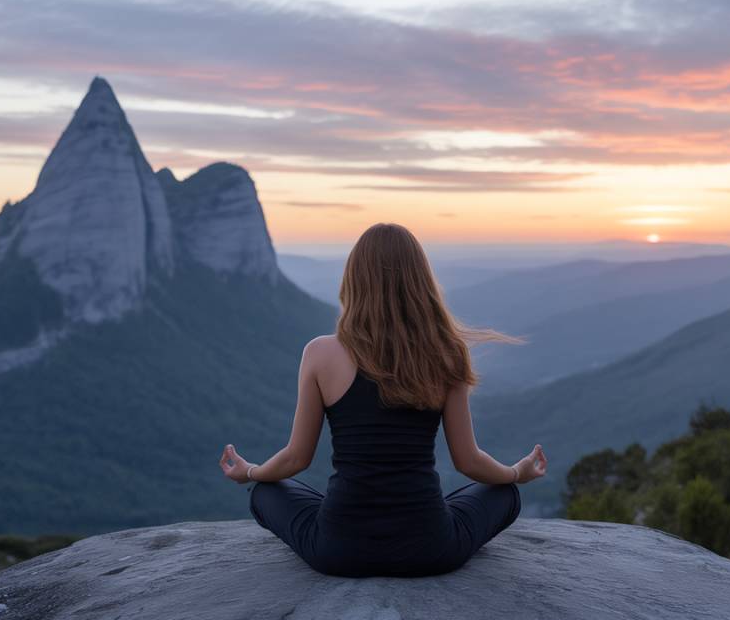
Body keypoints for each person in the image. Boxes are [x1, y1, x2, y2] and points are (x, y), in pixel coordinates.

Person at [219, 222, 548, 577]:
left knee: (264, 493)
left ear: (353, 281)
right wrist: (517, 472)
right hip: (430, 549)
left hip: (339, 551)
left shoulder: (320, 353)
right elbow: (469, 462)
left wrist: (249, 472)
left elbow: (296, 458)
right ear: (420, 282)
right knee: (505, 494)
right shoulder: (446, 353)